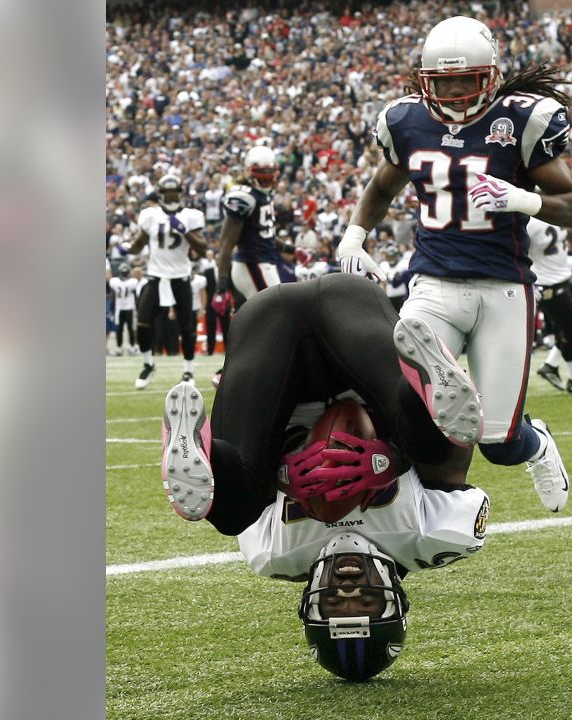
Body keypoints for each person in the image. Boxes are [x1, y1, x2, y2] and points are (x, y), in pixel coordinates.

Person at [159, 274, 487, 681]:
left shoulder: (275, 554)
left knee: (233, 513)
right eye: (366, 604)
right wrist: (391, 458)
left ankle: (196, 447)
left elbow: (262, 466)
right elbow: (459, 465)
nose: (348, 592)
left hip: (272, 338)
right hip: (351, 325)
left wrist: (286, 471)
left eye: (334, 608)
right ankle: (422, 385)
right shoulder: (434, 538)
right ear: (397, 599)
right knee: (442, 454)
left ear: (308, 604)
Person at [338, 16, 572, 512]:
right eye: (443, 80)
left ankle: (535, 442)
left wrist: (520, 198)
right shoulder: (407, 121)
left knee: (499, 443)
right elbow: (383, 187)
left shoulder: (518, 121)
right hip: (433, 283)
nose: (452, 91)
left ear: (489, 76)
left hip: (504, 289)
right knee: (404, 396)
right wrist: (354, 235)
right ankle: (411, 497)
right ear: (426, 80)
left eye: (463, 79)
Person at [130, 173, 207, 386]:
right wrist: (131, 246)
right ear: (161, 194)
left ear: (180, 193)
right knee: (143, 323)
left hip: (180, 275)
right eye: (168, 193)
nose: (172, 197)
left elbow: (201, 249)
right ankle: (148, 364)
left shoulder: (191, 216)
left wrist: (185, 232)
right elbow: (138, 244)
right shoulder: (150, 215)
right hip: (156, 275)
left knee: (186, 326)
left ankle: (189, 370)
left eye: (175, 193)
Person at [527, 218, 572, 395]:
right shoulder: (528, 221)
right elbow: (514, 251)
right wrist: (528, 281)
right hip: (546, 285)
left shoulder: (555, 212)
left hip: (563, 279)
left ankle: (550, 366)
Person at [216, 145, 283, 304]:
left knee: (270, 315)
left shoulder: (261, 196)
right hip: (252, 264)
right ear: (248, 171)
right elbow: (226, 242)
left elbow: (265, 234)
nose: (266, 179)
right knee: (277, 311)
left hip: (262, 263)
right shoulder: (243, 197)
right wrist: (221, 285)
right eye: (261, 175)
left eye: (269, 174)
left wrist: (292, 249)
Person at [108, 262, 138, 356]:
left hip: (125, 307)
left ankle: (127, 347)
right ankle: (122, 347)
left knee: (127, 328)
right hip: (123, 307)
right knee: (123, 329)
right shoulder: (133, 281)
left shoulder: (114, 281)